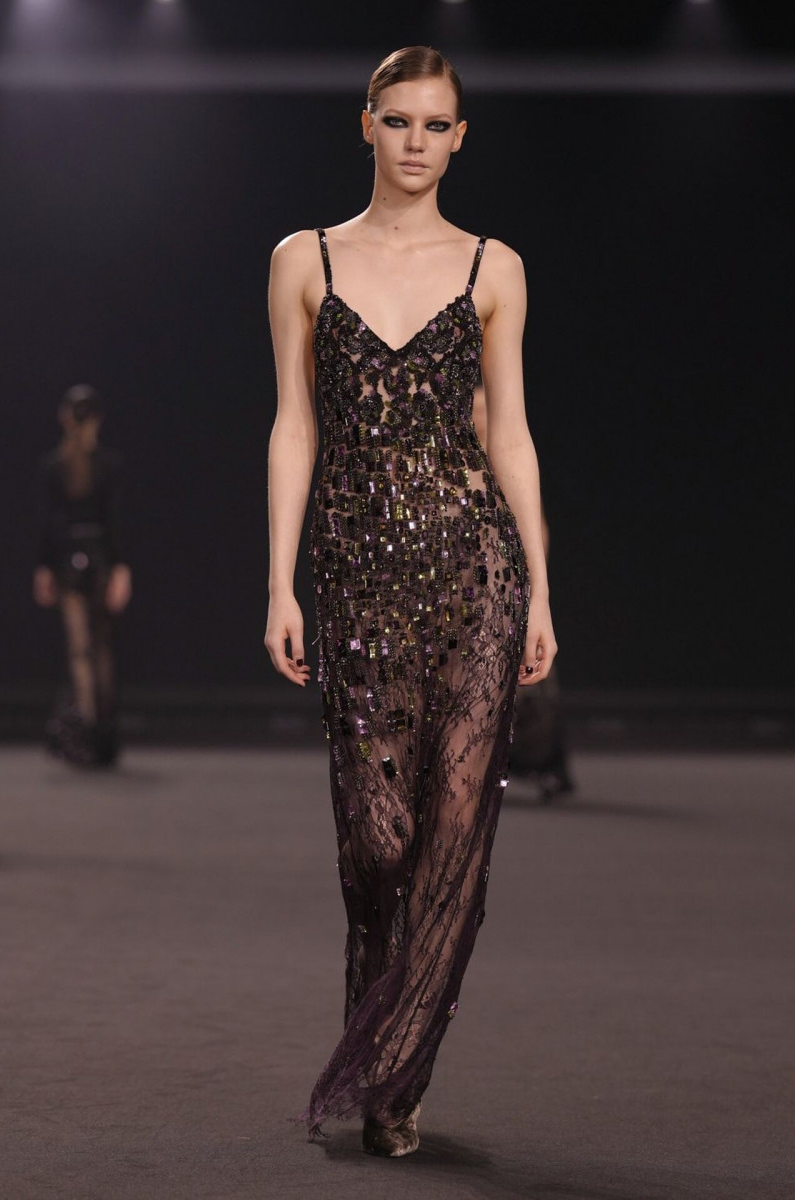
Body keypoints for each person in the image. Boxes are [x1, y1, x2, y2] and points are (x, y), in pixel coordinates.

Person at [265, 46, 557, 1157]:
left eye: (437, 125)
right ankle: (378, 1031)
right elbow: (294, 425)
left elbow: (511, 436)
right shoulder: (304, 259)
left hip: (475, 572)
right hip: (355, 573)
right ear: (366, 124)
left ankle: (392, 1079)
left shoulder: (493, 267)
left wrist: (540, 589)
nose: (417, 143)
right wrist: (279, 579)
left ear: (459, 137)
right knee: (378, 842)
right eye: (399, 121)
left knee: (452, 832)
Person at [472, 383, 575, 801]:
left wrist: (534, 584)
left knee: (531, 680)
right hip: (462, 583)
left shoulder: (508, 461)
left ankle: (545, 764)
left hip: (507, 580)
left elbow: (537, 525)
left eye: (486, 408)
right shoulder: (452, 464)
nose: (480, 416)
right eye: (475, 409)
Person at [34, 385, 131, 767]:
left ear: (64, 418)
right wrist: (121, 566)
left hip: (67, 559)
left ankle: (89, 730)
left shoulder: (54, 466)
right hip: (101, 557)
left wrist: (44, 566)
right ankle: (103, 732)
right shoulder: (109, 464)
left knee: (80, 649)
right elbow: (116, 521)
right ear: (98, 420)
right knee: (101, 647)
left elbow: (48, 523)